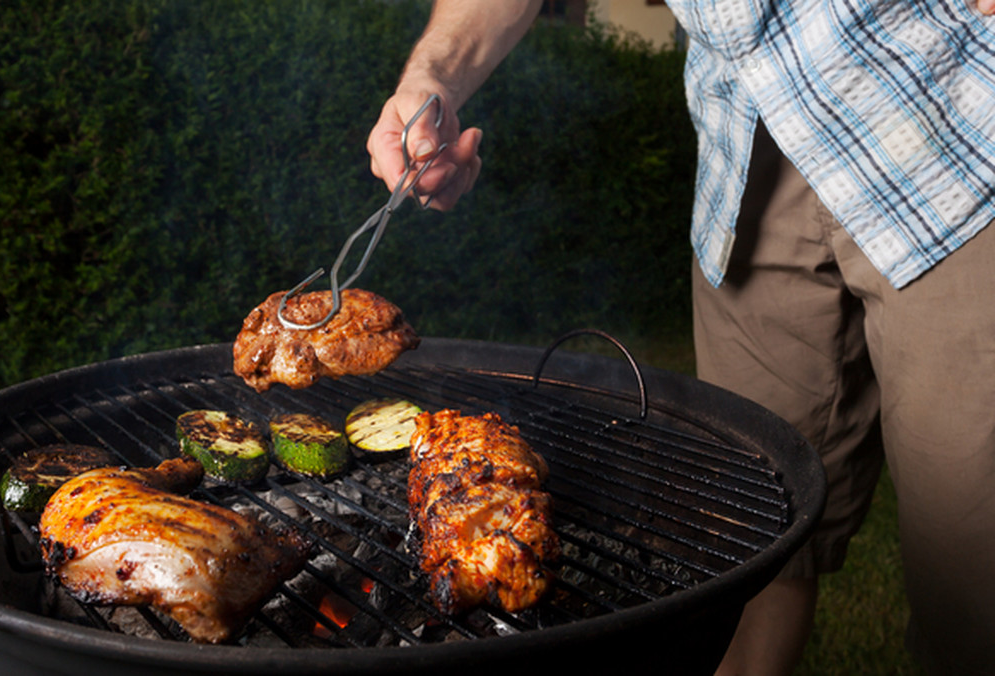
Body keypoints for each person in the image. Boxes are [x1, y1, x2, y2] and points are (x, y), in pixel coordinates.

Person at [366, 2, 995, 675]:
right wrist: (434, 78)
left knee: (974, 591)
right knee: (745, 546)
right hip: (745, 156)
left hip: (952, 137)